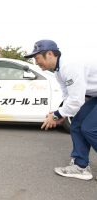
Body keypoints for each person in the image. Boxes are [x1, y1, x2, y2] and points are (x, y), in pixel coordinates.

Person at [24, 39, 97, 180]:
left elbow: (76, 100)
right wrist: (60, 113)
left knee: (89, 128)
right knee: (76, 125)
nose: (36, 62)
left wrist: (57, 115)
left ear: (50, 54)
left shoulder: (69, 65)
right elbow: (68, 96)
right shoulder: (58, 71)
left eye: (37, 58)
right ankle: (80, 166)